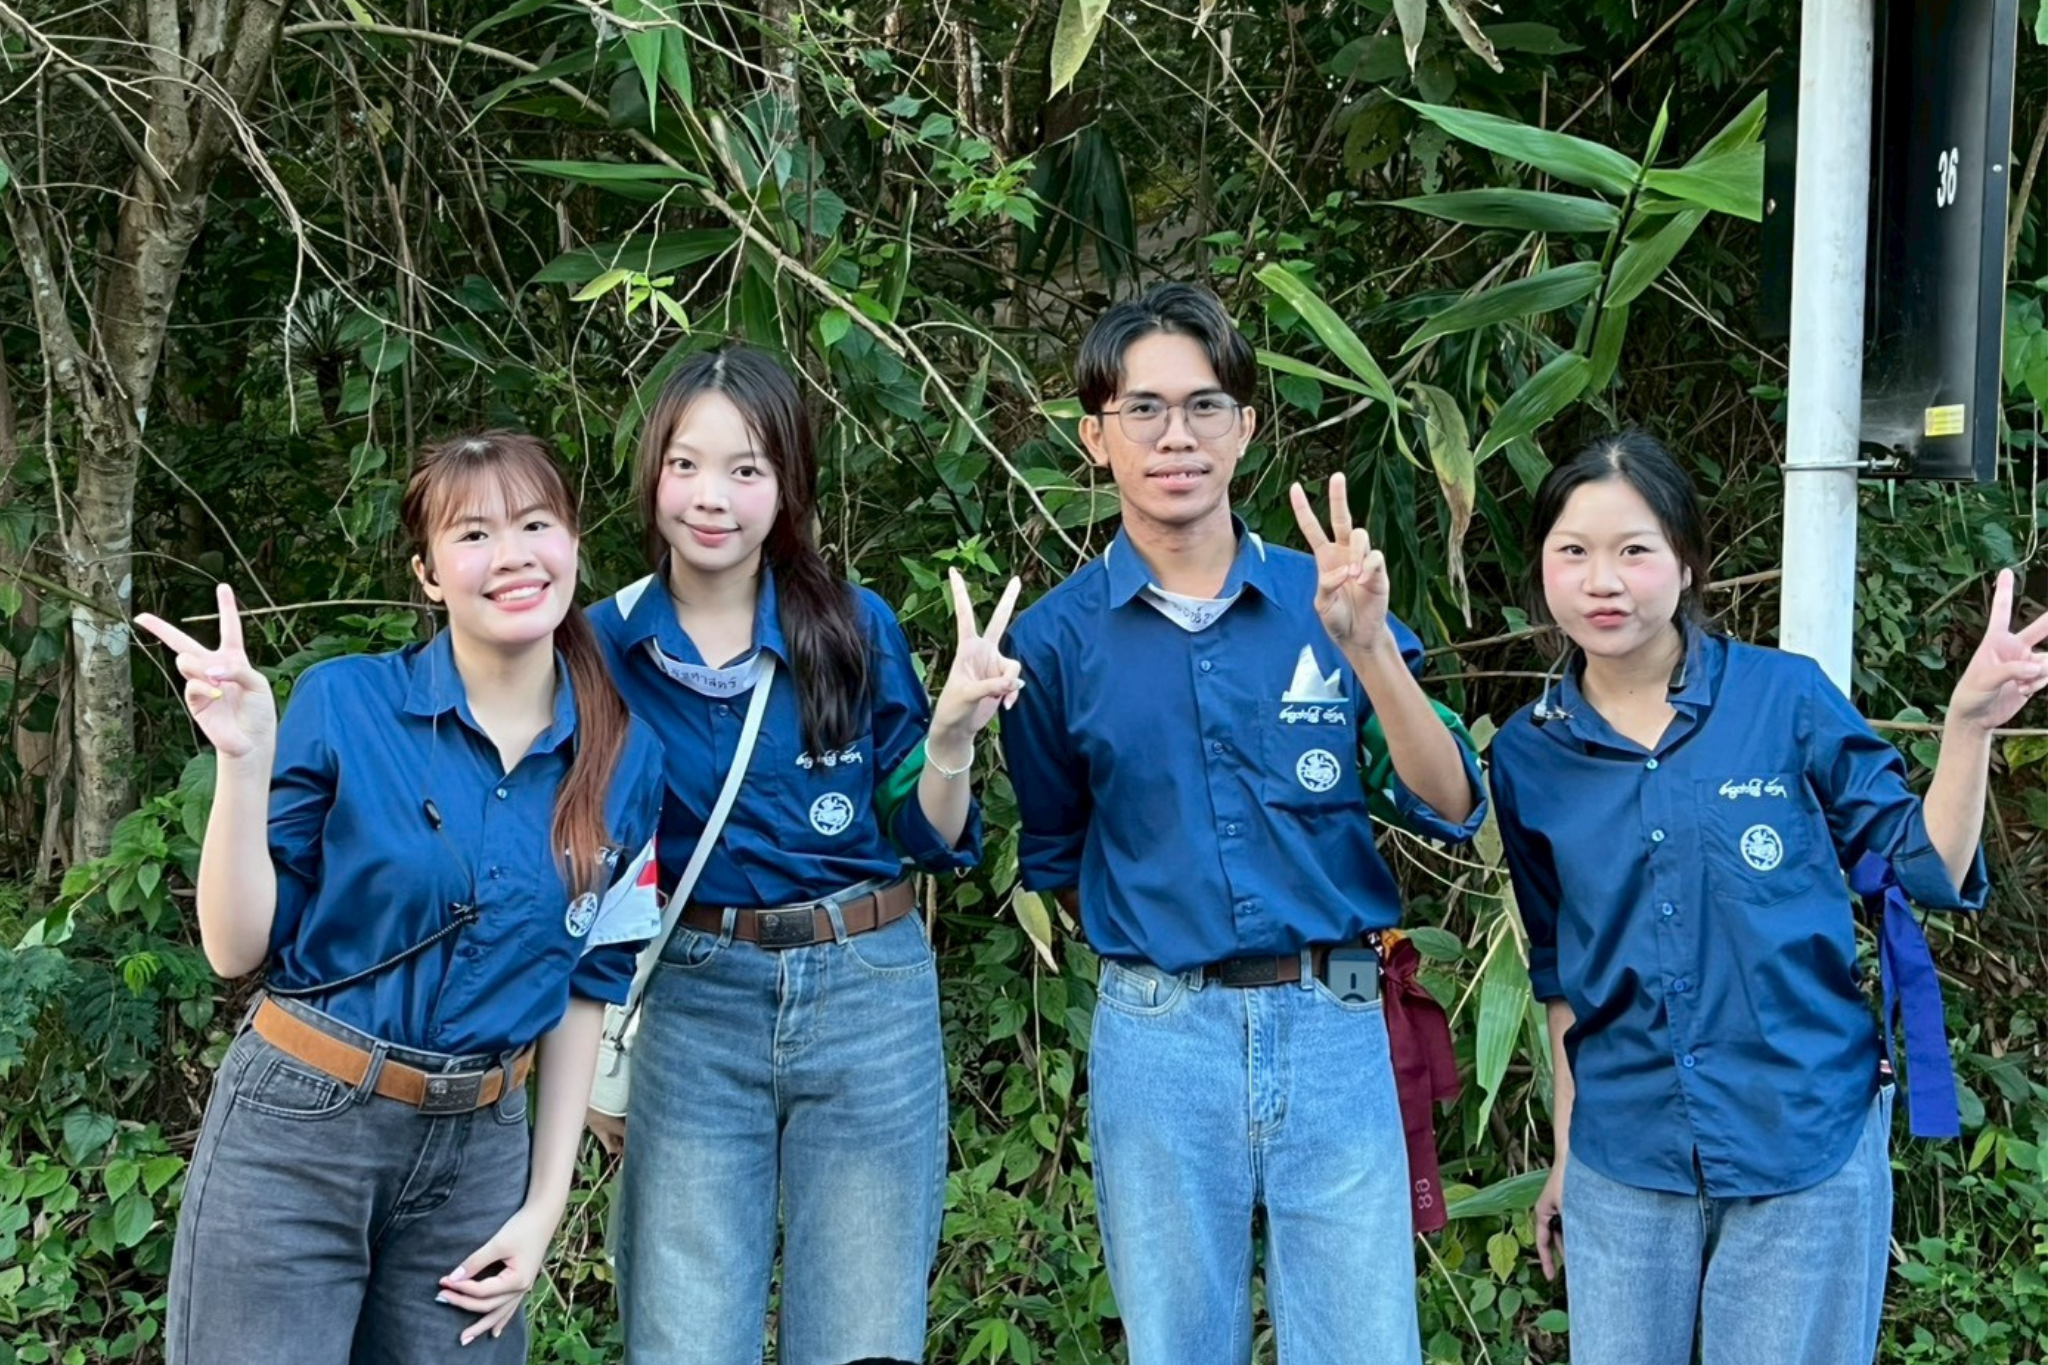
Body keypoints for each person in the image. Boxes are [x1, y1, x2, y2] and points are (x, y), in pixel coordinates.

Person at [997, 282, 1486, 1364]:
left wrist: (1370, 650)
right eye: (1143, 409)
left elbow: (1449, 803)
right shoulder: (1051, 644)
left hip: (1335, 1024)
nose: (1175, 436)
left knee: (1364, 1347)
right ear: (1094, 436)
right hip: (1160, 1035)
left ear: (1246, 426)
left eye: (1204, 406)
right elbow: (1059, 851)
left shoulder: (1331, 599)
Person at [1490, 429, 2048, 1365]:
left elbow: (1925, 866)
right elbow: (1561, 972)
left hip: (1802, 1138)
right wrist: (1565, 1152)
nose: (1603, 580)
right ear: (1542, 566)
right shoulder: (1527, 753)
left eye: (1634, 550)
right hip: (1623, 1157)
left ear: (1687, 564)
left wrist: (1967, 729)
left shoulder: (1784, 699)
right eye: (1573, 550)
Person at [138, 431, 668, 1363]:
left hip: (481, 1156)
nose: (512, 555)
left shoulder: (627, 756)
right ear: (428, 575)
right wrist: (243, 761)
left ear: (574, 543)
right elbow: (233, 946)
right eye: (474, 534)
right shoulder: (345, 702)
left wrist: (543, 1208)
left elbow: (591, 980)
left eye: (535, 524)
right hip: (300, 1133)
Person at [587, 346, 1020, 1365]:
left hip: (867, 995)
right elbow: (590, 861)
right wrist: (601, 1045)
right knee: (684, 1340)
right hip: (693, 1001)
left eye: (746, 469)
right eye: (686, 464)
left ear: (787, 485)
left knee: (863, 1335)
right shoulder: (600, 645)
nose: (712, 497)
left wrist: (951, 738)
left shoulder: (852, 627)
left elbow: (923, 835)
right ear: (652, 472)